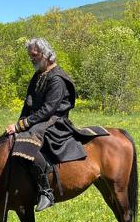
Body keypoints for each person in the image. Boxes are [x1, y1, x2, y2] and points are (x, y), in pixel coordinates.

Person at [6, 37, 86, 211]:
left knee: (28, 143)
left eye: (34, 55)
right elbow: (28, 103)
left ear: (45, 53)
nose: (32, 59)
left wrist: (22, 126)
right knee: (13, 138)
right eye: (30, 56)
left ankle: (46, 191)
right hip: (40, 119)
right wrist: (17, 124)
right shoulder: (38, 75)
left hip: (55, 121)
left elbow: (49, 109)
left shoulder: (57, 78)